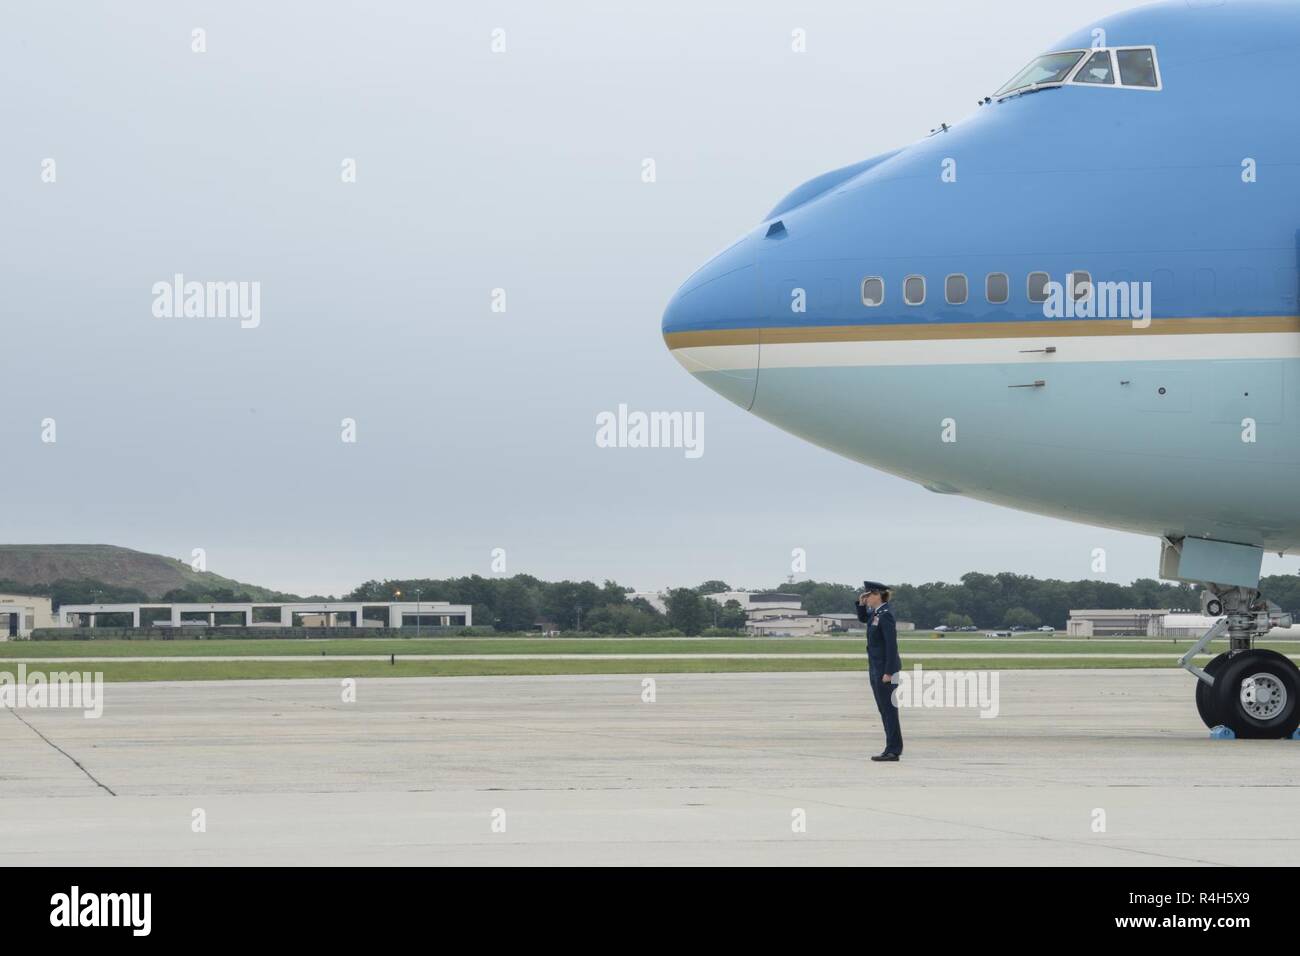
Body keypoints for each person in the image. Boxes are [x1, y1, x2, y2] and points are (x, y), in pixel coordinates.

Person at [856, 581, 903, 761]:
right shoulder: (876, 613)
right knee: (883, 710)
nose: (866, 598)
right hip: (876, 668)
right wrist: (860, 604)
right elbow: (863, 619)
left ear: (877, 595)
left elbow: (892, 646)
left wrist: (889, 672)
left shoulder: (885, 615)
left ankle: (893, 750)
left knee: (889, 710)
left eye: (868, 595)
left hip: (885, 670)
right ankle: (890, 747)